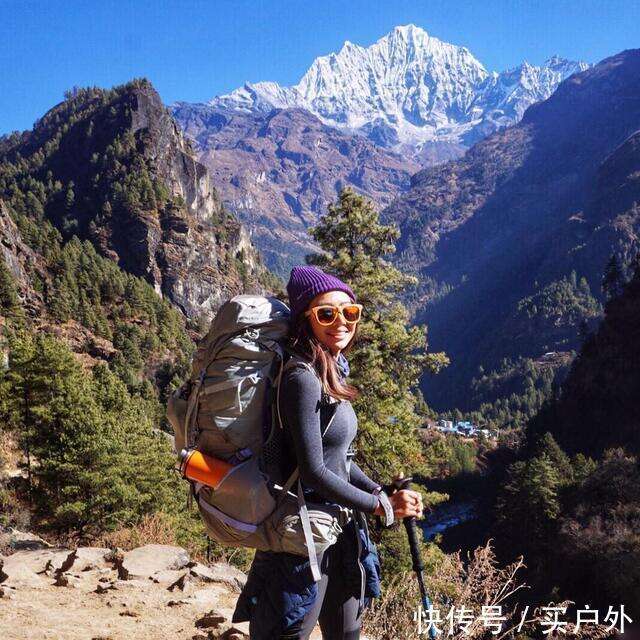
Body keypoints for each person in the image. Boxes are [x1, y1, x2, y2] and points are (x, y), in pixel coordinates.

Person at [232, 265, 424, 640]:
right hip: (303, 538)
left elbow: (342, 462)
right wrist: (380, 507)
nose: (342, 321)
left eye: (350, 312)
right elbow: (314, 472)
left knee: (347, 632)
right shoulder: (301, 378)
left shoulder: (331, 368)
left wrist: (381, 494)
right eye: (326, 313)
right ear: (306, 319)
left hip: (339, 530)